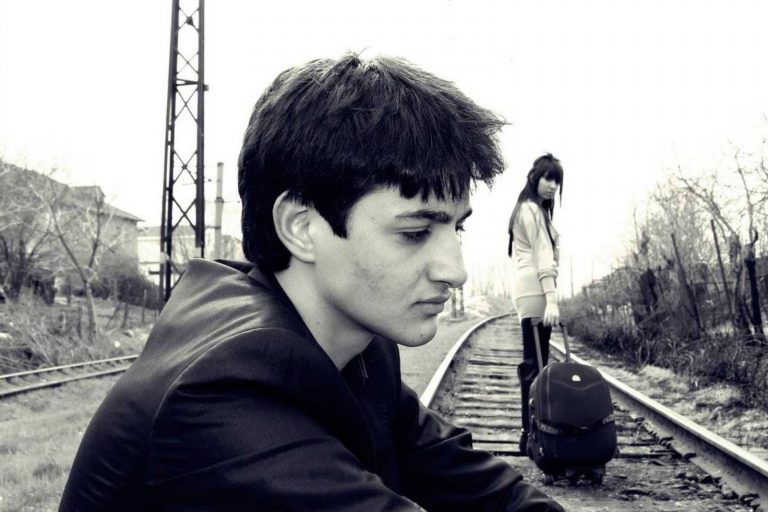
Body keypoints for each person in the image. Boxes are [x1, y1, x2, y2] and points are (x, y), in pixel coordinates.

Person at [59, 54, 564, 511]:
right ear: (301, 228)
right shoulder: (223, 394)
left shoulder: (358, 347)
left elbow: (470, 480)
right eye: (414, 233)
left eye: (457, 228)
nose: (455, 270)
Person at [506, 153, 564, 455]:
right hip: (536, 291)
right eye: (548, 178)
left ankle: (529, 432)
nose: (553, 186)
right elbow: (543, 256)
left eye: (557, 182)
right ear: (534, 178)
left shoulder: (528, 209)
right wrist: (551, 299)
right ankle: (533, 434)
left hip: (528, 289)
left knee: (534, 364)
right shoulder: (531, 210)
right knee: (536, 366)